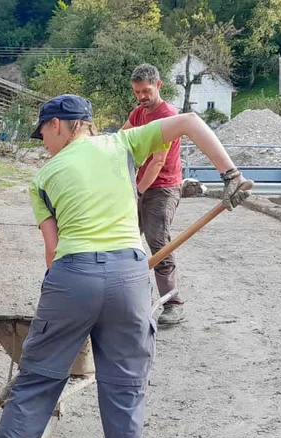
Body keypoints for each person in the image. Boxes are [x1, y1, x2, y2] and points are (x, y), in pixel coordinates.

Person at [0, 95, 248, 438]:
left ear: (59, 125)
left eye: (44, 135)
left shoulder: (43, 179)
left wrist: (65, 305)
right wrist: (231, 174)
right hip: (131, 276)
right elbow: (188, 121)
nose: (44, 145)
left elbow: (52, 254)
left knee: (35, 387)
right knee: (125, 396)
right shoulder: (122, 145)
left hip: (72, 276)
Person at [121, 64, 186, 325]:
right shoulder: (138, 114)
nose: (141, 97)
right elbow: (120, 139)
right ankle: (123, 297)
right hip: (141, 184)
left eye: (146, 91)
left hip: (164, 187)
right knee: (123, 237)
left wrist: (137, 191)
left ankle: (173, 302)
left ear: (158, 85)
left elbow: (158, 161)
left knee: (158, 241)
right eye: (137, 92)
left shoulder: (167, 115)